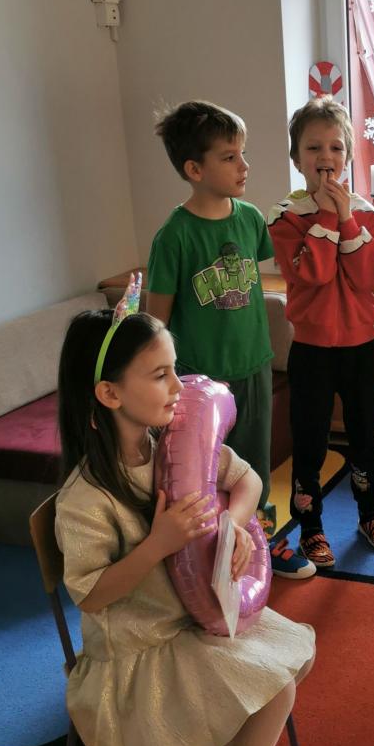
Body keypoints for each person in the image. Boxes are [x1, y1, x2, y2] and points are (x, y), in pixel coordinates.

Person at [54, 297, 315, 746]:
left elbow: (247, 479)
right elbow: (92, 596)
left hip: (190, 623)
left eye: (175, 369)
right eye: (160, 375)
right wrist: (158, 545)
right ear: (110, 394)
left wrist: (234, 524)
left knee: (289, 657)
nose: (179, 386)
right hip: (138, 653)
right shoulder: (85, 498)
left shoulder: (171, 444)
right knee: (276, 687)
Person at [147, 100, 315, 581]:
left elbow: (274, 272)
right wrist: (161, 385)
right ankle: (206, 555)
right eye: (229, 157)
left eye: (243, 154)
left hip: (253, 366)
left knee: (254, 468)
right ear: (194, 169)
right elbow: (154, 323)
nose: (244, 166)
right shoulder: (174, 236)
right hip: (200, 382)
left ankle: (261, 542)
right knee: (204, 473)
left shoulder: (249, 219)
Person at [267, 95, 374, 567]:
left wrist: (344, 217)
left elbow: (370, 276)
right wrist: (325, 216)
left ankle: (369, 514)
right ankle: (310, 527)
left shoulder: (365, 211)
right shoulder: (284, 215)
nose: (326, 157)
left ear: (348, 156)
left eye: (336, 147)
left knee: (364, 439)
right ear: (296, 157)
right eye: (314, 147)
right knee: (310, 443)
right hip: (312, 351)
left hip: (362, 348)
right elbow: (313, 273)